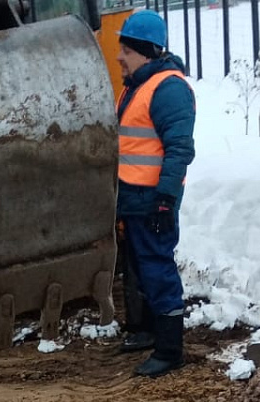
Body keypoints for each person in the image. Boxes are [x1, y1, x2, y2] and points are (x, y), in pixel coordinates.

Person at [114, 10, 196, 377]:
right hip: (132, 199)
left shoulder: (168, 89)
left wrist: (165, 199)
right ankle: (148, 330)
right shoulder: (138, 86)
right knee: (140, 268)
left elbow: (179, 149)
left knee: (157, 269)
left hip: (151, 201)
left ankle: (169, 349)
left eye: (126, 52)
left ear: (145, 52)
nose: (119, 57)